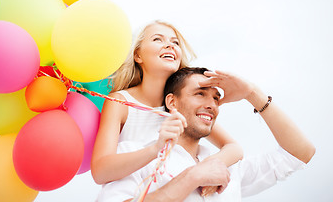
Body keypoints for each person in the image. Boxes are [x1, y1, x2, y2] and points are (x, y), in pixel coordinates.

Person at [97, 67, 316, 201]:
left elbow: (300, 153)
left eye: (215, 98)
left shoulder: (226, 167)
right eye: (200, 94)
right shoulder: (135, 155)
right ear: (172, 102)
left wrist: (252, 93)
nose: (211, 104)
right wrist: (193, 176)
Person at [91, 21, 243, 195]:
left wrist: (207, 167)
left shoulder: (182, 105)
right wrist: (155, 149)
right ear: (138, 55)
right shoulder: (120, 102)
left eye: (175, 42)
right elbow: (100, 171)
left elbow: (234, 148)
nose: (170, 45)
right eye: (158, 39)